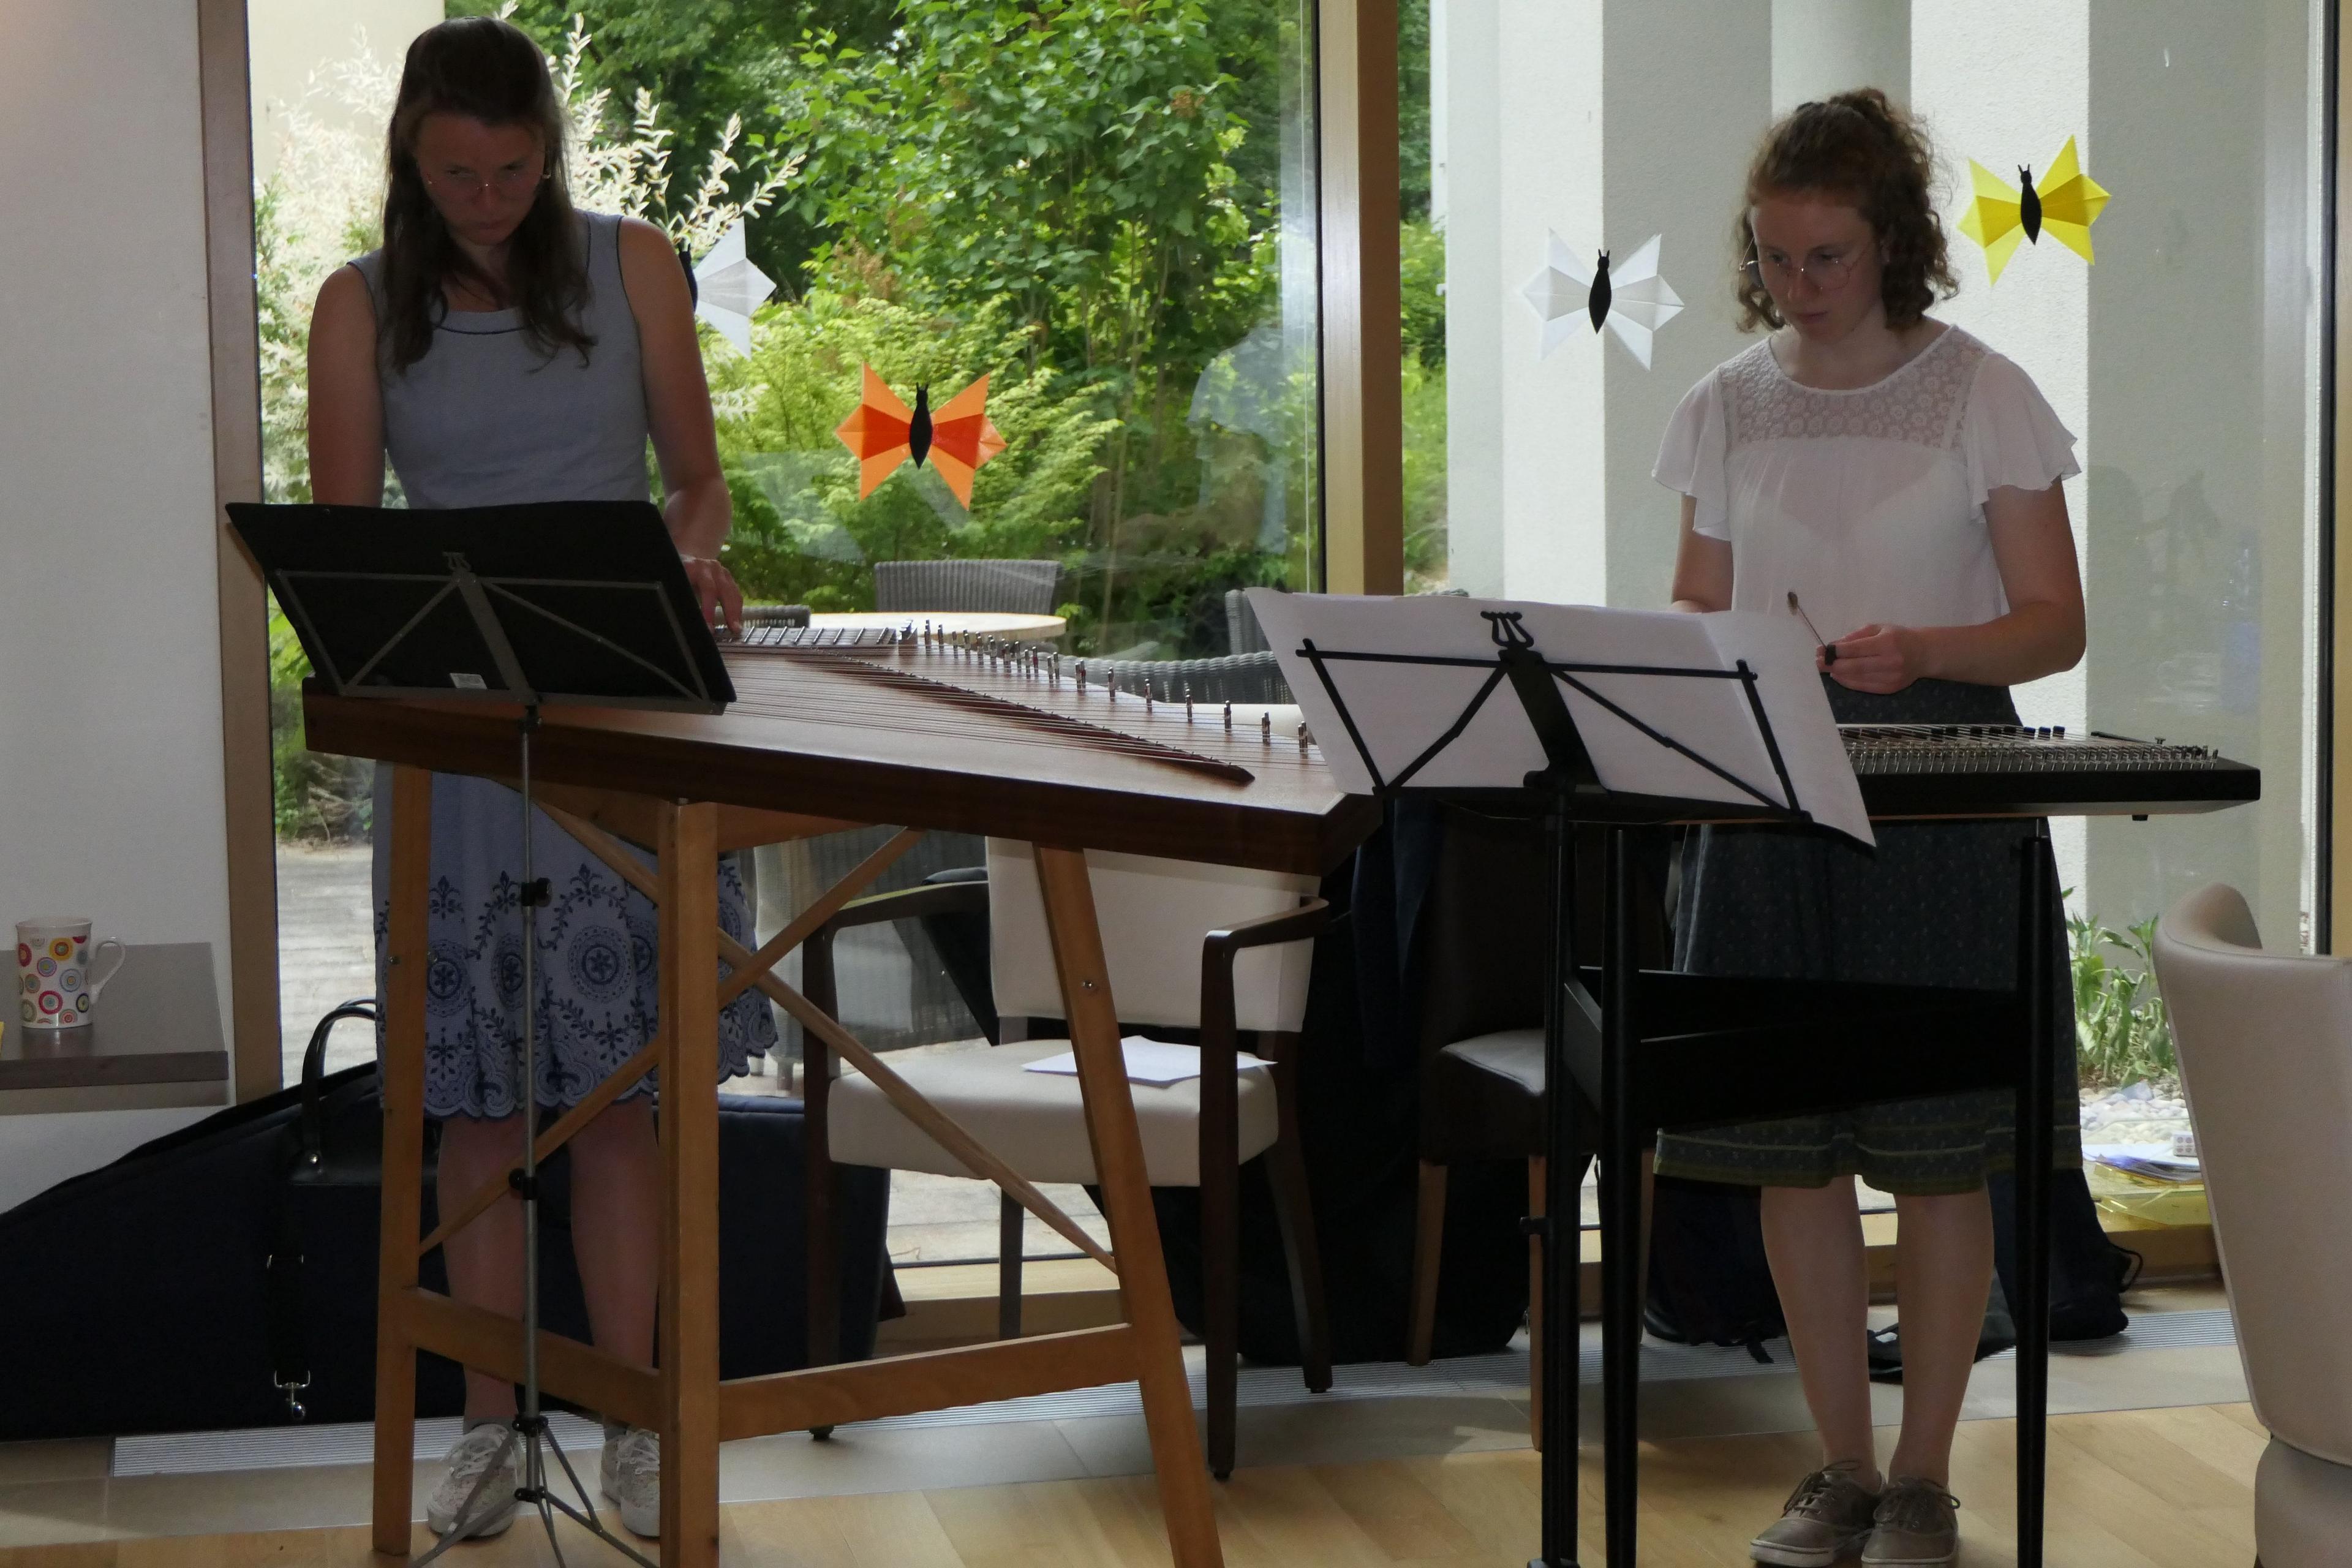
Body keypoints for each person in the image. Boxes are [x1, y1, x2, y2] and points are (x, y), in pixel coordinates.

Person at [306, 16, 775, 1544]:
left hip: (621, 720)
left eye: (513, 171)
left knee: (621, 1101)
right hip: (457, 749)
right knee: (479, 1106)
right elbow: (348, 545)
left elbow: (696, 481)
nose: (489, 198)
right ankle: (485, 1431)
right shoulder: (359, 303)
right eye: (458, 174)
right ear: (412, 158)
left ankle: (631, 1421)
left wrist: (687, 558)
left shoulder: (633, 264)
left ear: (548, 154)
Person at [1654, 90, 2084, 1568]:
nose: (1798, 283)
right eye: (1775, 256)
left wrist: (1932, 649)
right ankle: (1837, 1463)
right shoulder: (1723, 401)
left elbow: (2055, 624)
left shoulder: (1984, 392)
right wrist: (1726, 647)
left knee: (1939, 1149)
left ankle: (1922, 1477)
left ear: (1893, 243)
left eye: (1826, 255)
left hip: (1942, 785)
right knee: (1794, 1148)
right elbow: (1695, 601)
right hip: (1768, 787)